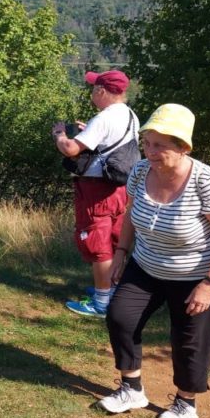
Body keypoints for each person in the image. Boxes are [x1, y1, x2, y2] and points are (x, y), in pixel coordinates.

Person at [96, 104, 210, 418]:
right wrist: (121, 251)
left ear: (183, 147)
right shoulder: (139, 172)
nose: (150, 151)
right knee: (121, 317)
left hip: (196, 275)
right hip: (146, 266)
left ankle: (185, 404)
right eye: (147, 143)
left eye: (160, 145)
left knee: (188, 339)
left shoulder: (206, 182)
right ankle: (131, 389)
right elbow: (131, 214)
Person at [51, 69, 139, 317]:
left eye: (94, 88)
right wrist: (88, 129)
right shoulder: (130, 115)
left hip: (97, 190)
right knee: (113, 239)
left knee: (97, 241)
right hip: (121, 187)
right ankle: (110, 290)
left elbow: (70, 149)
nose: (92, 92)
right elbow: (111, 144)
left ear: (102, 91)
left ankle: (101, 303)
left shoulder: (104, 118)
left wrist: (59, 134)